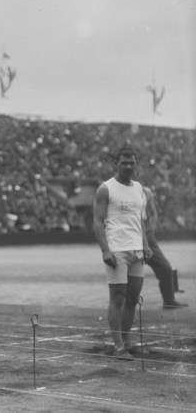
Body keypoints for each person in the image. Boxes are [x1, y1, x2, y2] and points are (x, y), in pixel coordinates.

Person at [93, 146, 152, 360]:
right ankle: (118, 346)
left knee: (133, 298)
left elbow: (140, 221)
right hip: (117, 250)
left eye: (132, 163)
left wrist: (145, 245)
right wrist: (105, 250)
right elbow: (98, 222)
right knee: (117, 297)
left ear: (136, 164)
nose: (128, 166)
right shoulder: (106, 188)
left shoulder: (139, 188)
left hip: (137, 249)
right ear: (116, 164)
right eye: (124, 162)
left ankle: (127, 340)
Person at [142, 186, 187, 309]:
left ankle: (169, 301)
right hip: (130, 238)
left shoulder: (146, 192)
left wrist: (149, 230)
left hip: (148, 238)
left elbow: (153, 213)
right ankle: (126, 310)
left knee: (165, 268)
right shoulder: (120, 191)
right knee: (129, 276)